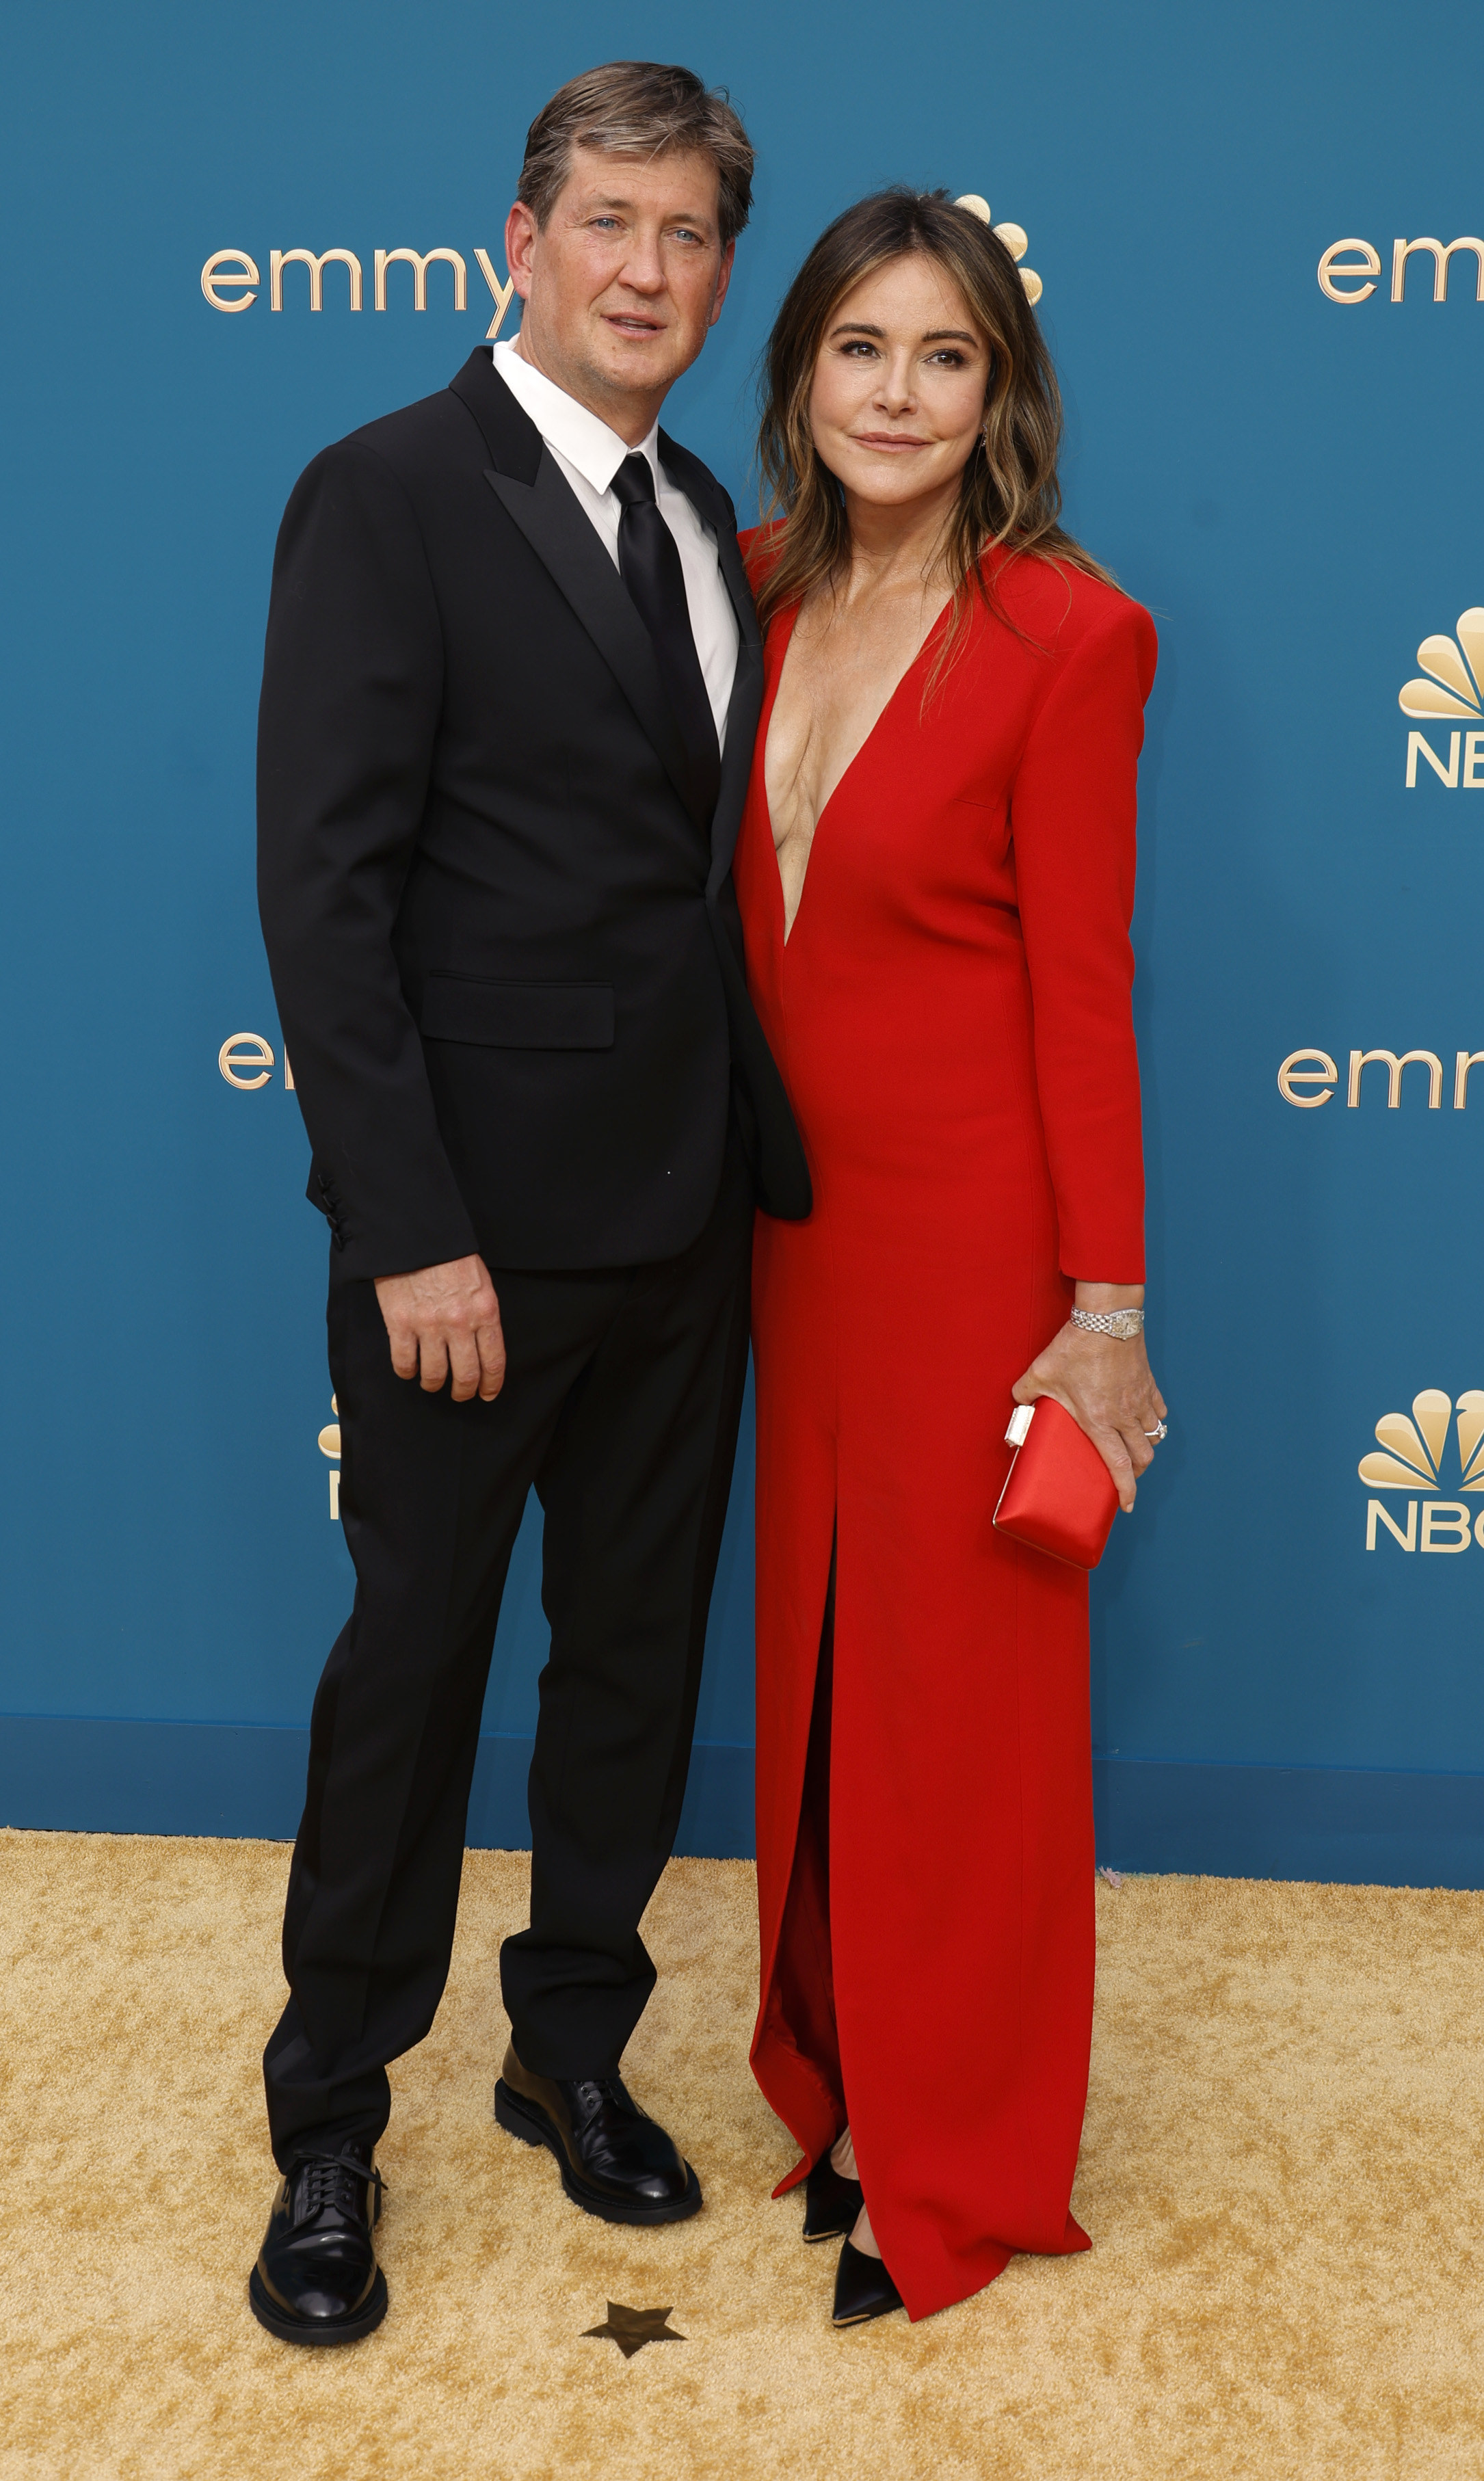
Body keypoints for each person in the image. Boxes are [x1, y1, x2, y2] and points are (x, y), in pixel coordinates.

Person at [250, 61, 808, 2346]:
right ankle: (326, 2123)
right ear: (518, 233)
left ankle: (567, 2049)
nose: (647, 271)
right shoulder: (385, 492)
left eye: (686, 234)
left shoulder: (707, 513)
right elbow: (325, 891)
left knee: (626, 1670)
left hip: (687, 1226)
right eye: (607, 223)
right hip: (466, 1243)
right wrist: (408, 1229)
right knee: (410, 1672)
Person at [732, 189, 1166, 2329]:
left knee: (963, 1714)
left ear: (999, 393)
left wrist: (1100, 1315)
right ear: (797, 373)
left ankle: (960, 2161)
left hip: (975, 1242)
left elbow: (1082, 987)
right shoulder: (741, 591)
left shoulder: (1071, 635)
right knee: (816, 1679)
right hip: (782, 1245)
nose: (894, 396)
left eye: (943, 357)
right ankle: (838, 2089)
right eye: (858, 351)